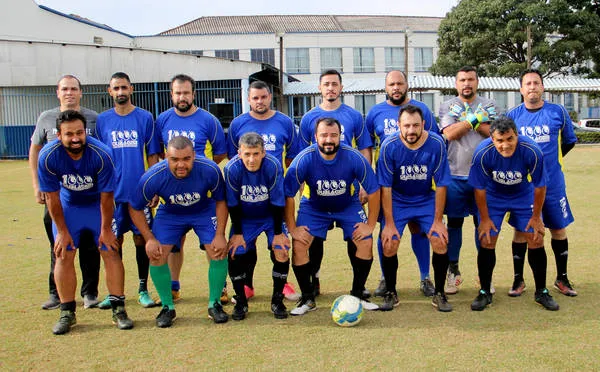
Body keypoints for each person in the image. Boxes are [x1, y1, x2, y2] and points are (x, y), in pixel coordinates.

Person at [37, 110, 134, 334]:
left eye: (79, 132)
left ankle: (119, 308)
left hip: (97, 206)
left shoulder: (101, 154)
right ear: (59, 135)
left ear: (85, 132)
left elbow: (107, 197)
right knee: (64, 252)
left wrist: (106, 229)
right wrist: (61, 231)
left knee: (110, 250)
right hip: (69, 207)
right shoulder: (48, 156)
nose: (75, 138)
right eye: (69, 134)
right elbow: (51, 198)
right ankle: (67, 312)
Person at [129, 136, 229, 327]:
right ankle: (167, 307)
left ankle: (214, 303)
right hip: (171, 213)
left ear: (194, 155)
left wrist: (220, 234)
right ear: (166, 156)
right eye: (175, 160)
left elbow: (221, 201)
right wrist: (149, 238)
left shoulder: (210, 170)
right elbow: (134, 207)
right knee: (156, 255)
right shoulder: (153, 176)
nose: (180, 164)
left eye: (186, 159)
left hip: (202, 210)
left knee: (218, 251)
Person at [284, 117, 380, 316]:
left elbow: (373, 190)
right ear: (315, 137)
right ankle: (308, 298)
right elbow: (288, 194)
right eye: (324, 135)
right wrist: (292, 228)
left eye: (333, 135)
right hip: (314, 207)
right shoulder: (304, 159)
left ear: (340, 137)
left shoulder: (354, 157)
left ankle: (357, 295)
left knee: (365, 241)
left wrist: (370, 225)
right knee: (300, 244)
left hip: (348, 205)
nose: (329, 140)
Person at [468, 115, 559, 311]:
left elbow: (540, 185)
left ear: (517, 135)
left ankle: (541, 291)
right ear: (492, 139)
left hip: (522, 194)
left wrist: (536, 218)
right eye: (500, 140)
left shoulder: (532, 150)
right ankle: (485, 291)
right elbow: (479, 189)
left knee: (535, 237)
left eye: (510, 139)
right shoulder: (482, 153)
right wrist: (484, 219)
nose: (505, 145)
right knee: (486, 238)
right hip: (494, 195)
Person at [298, 69, 374, 297]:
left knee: (357, 236)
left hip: (347, 189)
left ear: (341, 88)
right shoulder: (308, 118)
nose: (330, 88)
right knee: (313, 239)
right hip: (315, 192)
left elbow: (364, 149)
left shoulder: (353, 116)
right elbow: (303, 154)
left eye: (334, 84)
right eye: (326, 84)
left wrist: (363, 184)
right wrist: (302, 187)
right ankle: (315, 280)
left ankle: (358, 287)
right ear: (319, 88)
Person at [29, 75, 101, 310]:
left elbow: (100, 155)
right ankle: (57, 294)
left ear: (81, 92)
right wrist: (36, 184)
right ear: (57, 93)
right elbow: (35, 150)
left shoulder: (93, 119)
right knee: (59, 244)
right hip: (57, 196)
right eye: (65, 89)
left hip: (88, 196)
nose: (69, 93)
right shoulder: (46, 118)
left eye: (74, 89)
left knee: (91, 246)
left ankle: (90, 292)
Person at [366, 70, 440, 298]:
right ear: (385, 87)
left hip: (420, 186)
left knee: (419, 230)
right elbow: (367, 146)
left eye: (400, 83)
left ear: (407, 85)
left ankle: (425, 277)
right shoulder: (375, 112)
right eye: (391, 84)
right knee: (387, 233)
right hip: (389, 187)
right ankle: (385, 279)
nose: (396, 87)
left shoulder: (422, 109)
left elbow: (434, 142)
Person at [155, 74, 228, 303]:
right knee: (174, 243)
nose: (182, 97)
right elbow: (158, 153)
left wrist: (199, 175)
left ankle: (221, 289)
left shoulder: (208, 120)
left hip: (202, 195)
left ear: (193, 94)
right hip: (171, 197)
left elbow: (220, 152)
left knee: (212, 243)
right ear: (171, 95)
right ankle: (173, 286)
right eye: (177, 93)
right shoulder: (162, 120)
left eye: (186, 92)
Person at [506, 69, 578, 297]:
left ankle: (562, 278)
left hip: (553, 183)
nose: (532, 87)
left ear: (542, 87)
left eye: (536, 83)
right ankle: (518, 280)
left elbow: (568, 142)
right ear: (521, 89)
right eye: (527, 84)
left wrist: (548, 164)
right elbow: (507, 147)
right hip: (523, 186)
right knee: (521, 230)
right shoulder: (513, 116)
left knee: (558, 228)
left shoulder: (557, 112)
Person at [226, 80, 300, 302]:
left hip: (274, 193)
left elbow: (291, 155)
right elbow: (233, 156)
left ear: (270, 98)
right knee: (243, 247)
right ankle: (246, 285)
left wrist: (274, 177)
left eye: (263, 97)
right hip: (247, 194)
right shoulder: (238, 124)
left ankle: (283, 284)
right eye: (255, 97)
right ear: (248, 99)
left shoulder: (285, 122)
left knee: (279, 245)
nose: (259, 101)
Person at [95, 72, 161, 309]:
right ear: (109, 91)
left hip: (138, 194)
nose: (121, 92)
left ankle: (143, 289)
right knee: (113, 241)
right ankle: (114, 292)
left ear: (131, 89)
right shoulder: (102, 121)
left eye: (124, 87)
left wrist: (154, 187)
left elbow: (153, 154)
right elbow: (98, 157)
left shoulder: (144, 118)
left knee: (142, 240)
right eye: (116, 88)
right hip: (111, 194)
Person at [377, 105, 452, 312]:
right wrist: (389, 223)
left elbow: (442, 184)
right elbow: (386, 186)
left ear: (424, 125)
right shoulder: (388, 145)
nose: (411, 130)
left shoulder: (436, 143)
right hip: (398, 200)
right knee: (389, 242)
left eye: (416, 125)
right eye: (407, 125)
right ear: (399, 126)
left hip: (425, 198)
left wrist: (438, 221)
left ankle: (439, 293)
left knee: (439, 239)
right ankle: (391, 291)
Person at [438, 66, 498, 294]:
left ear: (477, 81)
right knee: (454, 224)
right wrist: (475, 119)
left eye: (471, 79)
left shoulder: (491, 105)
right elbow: (450, 134)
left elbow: (495, 134)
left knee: (482, 223)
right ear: (456, 83)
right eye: (462, 80)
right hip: (454, 176)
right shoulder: (446, 105)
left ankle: (485, 277)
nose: (467, 84)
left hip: (484, 177)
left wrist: (464, 120)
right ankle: (453, 271)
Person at [224, 132, 291, 320]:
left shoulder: (273, 166)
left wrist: (278, 233)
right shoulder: (231, 169)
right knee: (235, 251)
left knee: (281, 250)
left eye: (255, 154)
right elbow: (232, 204)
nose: (251, 159)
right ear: (239, 153)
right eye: (247, 154)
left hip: (270, 216)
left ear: (263, 153)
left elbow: (278, 202)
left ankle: (277, 300)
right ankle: (241, 302)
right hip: (245, 218)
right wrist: (237, 232)